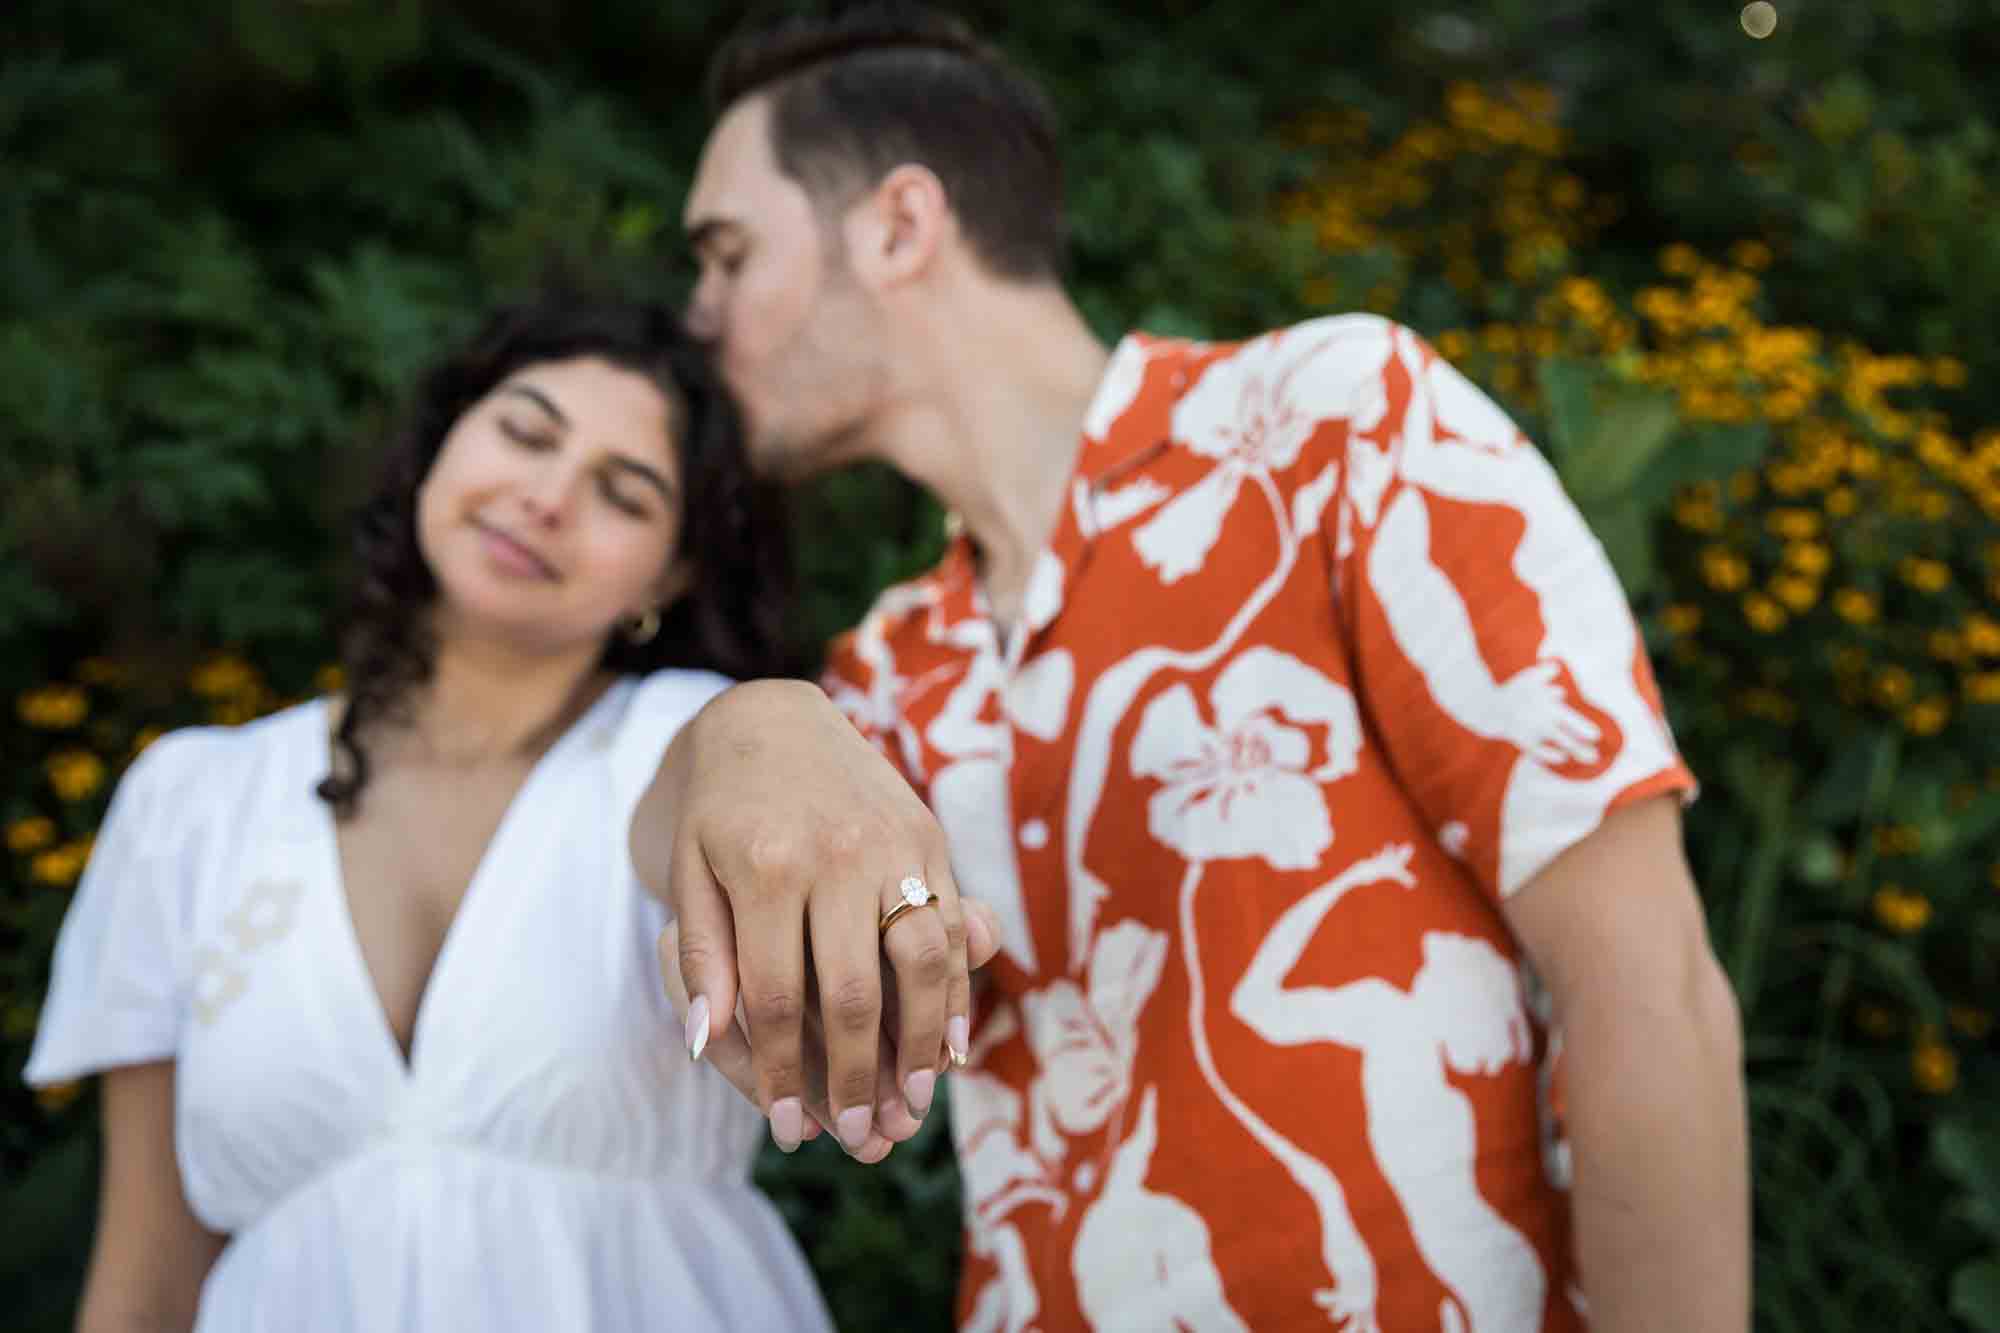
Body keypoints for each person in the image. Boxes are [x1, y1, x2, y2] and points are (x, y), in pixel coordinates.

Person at [633, 5, 1751, 1332]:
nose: (698, 317)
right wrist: (745, 732)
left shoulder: (1338, 431)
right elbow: (724, 927)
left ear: (897, 226)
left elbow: (1649, 986)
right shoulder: (888, 667)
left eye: (727, 252)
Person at [25, 295, 889, 1332]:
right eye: (524, 432)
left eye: (623, 492)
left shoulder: (674, 740)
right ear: (439, 445)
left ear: (669, 572)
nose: (546, 497)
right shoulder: (190, 802)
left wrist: (777, 726)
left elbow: (732, 780)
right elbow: (148, 1281)